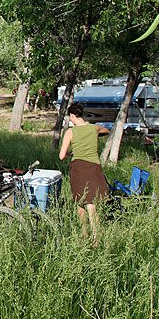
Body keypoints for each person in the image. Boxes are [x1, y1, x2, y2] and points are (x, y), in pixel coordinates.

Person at [58, 102, 110, 245]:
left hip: (78, 167)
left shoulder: (70, 132)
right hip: (94, 167)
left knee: (80, 201)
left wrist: (70, 152)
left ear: (73, 115)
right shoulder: (93, 128)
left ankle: (87, 235)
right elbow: (106, 130)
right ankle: (94, 236)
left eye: (70, 117)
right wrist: (96, 134)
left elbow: (61, 156)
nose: (70, 120)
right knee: (91, 201)